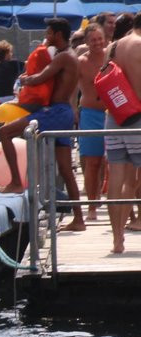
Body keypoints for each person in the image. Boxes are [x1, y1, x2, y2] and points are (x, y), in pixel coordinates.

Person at [0, 18, 86, 233]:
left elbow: (40, 78)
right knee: (66, 169)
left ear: (57, 34)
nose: (46, 34)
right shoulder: (70, 56)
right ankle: (79, 220)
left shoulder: (64, 57)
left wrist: (24, 79)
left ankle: (16, 182)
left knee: (4, 132)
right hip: (63, 112)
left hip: (55, 111)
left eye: (48, 31)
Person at [105, 12, 141, 254]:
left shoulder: (113, 46)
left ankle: (117, 239)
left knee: (117, 179)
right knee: (136, 181)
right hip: (138, 118)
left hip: (114, 117)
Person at [76, 25, 108, 222]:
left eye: (99, 39)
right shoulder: (81, 62)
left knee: (111, 163)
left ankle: (119, 206)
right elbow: (71, 88)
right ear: (86, 42)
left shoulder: (112, 56)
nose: (97, 42)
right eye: (93, 39)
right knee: (92, 162)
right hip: (89, 113)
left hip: (111, 114)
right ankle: (92, 205)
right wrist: (72, 109)